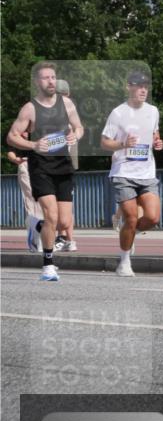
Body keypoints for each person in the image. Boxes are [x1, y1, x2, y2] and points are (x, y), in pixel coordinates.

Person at [6, 61, 85, 282]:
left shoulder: (67, 103)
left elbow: (79, 127)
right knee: (51, 215)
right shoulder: (30, 108)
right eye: (45, 78)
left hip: (63, 166)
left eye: (53, 77)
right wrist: (33, 145)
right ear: (37, 82)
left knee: (63, 222)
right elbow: (11, 136)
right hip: (40, 167)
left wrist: (75, 135)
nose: (51, 81)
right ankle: (48, 265)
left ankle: (37, 225)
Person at [100, 71, 163, 277]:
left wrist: (157, 142)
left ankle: (129, 233)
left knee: (153, 218)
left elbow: (155, 134)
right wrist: (122, 144)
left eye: (146, 86)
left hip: (146, 172)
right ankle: (124, 261)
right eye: (138, 86)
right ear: (129, 87)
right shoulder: (118, 113)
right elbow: (104, 142)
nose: (143, 90)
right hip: (124, 172)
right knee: (131, 216)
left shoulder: (153, 111)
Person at [51, 79, 78, 251]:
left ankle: (64, 237)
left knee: (62, 204)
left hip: (63, 164)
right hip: (60, 163)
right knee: (63, 204)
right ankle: (68, 239)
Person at [7, 144, 43, 251]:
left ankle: (42, 238)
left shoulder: (43, 129)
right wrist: (15, 159)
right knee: (32, 199)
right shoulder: (17, 131)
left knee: (45, 200)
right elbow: (11, 151)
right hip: (25, 163)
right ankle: (36, 239)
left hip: (44, 164)